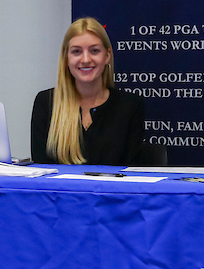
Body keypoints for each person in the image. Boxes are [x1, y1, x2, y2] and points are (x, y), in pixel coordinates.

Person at [31, 17, 146, 165]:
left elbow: (130, 173)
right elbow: (42, 171)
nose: (85, 59)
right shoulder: (46, 102)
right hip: (60, 189)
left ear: (107, 55)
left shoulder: (130, 106)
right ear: (66, 58)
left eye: (94, 50)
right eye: (77, 51)